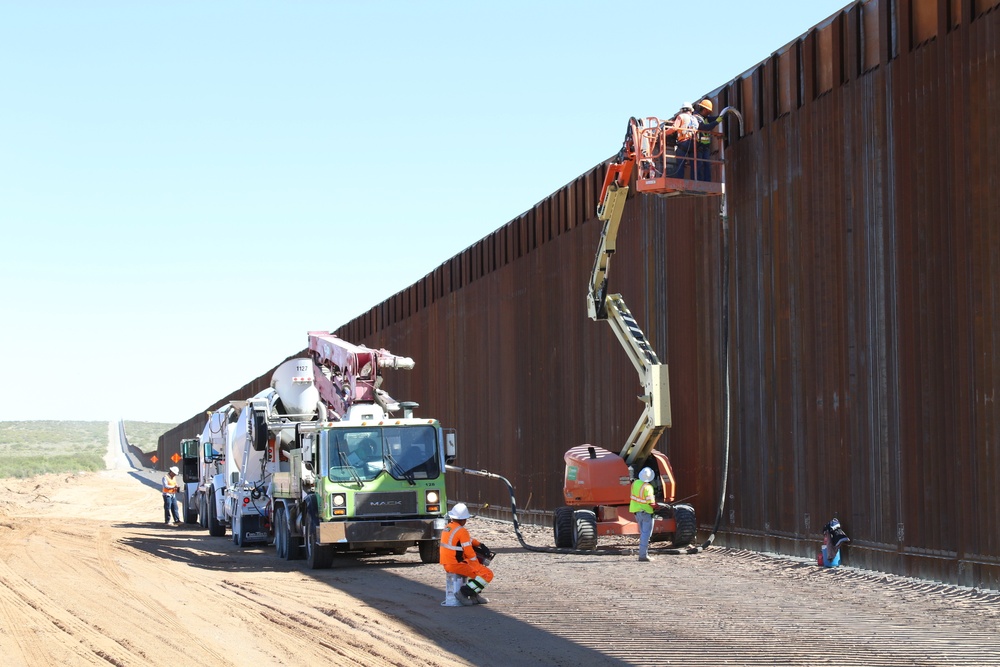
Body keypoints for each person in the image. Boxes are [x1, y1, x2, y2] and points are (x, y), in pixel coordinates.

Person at [440, 502, 494, 605]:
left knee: (477, 573)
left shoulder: (449, 528)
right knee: (487, 574)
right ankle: (463, 594)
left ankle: (474, 596)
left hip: (448, 563)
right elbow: (469, 551)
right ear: (463, 520)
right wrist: (477, 564)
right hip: (456, 564)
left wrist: (480, 544)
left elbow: (467, 540)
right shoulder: (462, 531)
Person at [663, 103, 698, 179]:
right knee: (694, 164)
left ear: (682, 110)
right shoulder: (695, 119)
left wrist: (663, 133)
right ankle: (694, 180)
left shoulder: (681, 116)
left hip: (683, 143)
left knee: (680, 164)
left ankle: (680, 180)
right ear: (691, 110)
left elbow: (674, 128)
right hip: (694, 144)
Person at [629, 467, 658, 562]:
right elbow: (651, 503)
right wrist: (658, 506)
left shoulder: (635, 483)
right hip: (646, 513)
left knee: (643, 533)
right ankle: (643, 555)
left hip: (637, 512)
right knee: (646, 535)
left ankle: (643, 553)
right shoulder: (648, 488)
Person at [693, 99, 724, 181]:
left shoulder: (705, 118)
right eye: (709, 111)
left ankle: (707, 181)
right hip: (699, 146)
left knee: (707, 164)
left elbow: (713, 119)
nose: (710, 113)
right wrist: (717, 122)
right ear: (705, 109)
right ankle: (698, 181)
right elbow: (705, 127)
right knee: (699, 165)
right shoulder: (697, 118)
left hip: (705, 146)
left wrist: (723, 115)